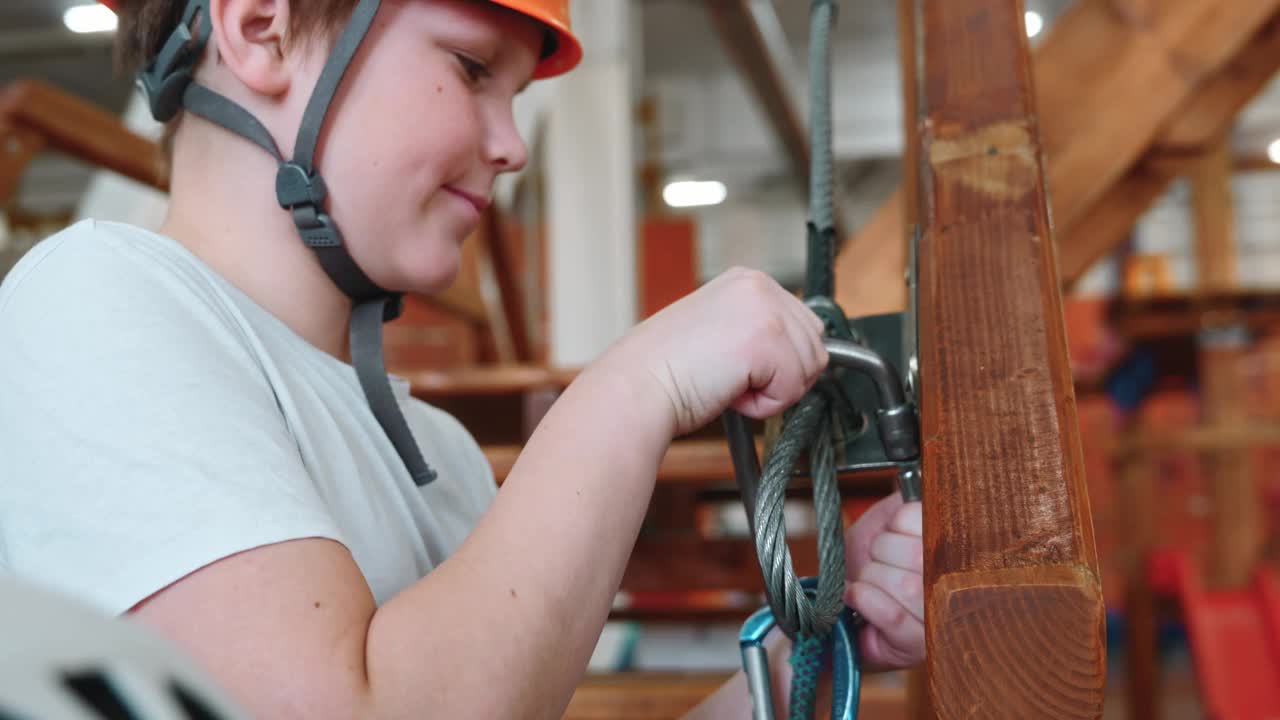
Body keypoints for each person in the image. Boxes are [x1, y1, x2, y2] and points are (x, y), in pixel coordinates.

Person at [0, 0, 925, 716]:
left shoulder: (437, 457)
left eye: (516, 97)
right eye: (472, 67)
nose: (512, 145)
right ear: (261, 29)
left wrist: (808, 648)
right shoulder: (92, 296)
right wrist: (636, 386)